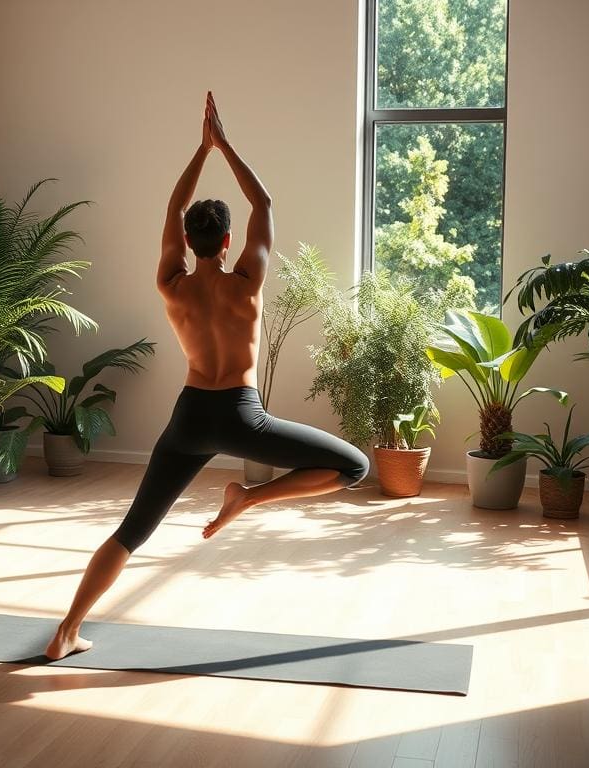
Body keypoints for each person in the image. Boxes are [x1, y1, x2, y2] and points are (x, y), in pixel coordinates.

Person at [45, 92, 369, 661]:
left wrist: (199, 151)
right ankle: (250, 497)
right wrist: (223, 143)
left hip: (190, 416)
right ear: (226, 242)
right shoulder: (247, 281)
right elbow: (262, 201)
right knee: (354, 466)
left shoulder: (172, 285)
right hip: (242, 417)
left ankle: (65, 630)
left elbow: (172, 212)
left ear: (189, 243)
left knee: (132, 530)